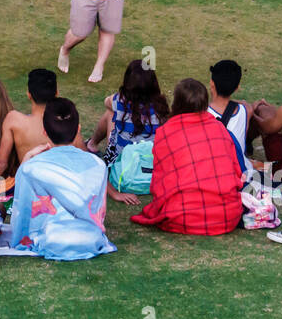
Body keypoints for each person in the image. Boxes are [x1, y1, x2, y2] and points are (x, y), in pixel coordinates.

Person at [130, 79, 244, 235]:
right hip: (227, 216)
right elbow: (236, 171)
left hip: (181, 217)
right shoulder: (220, 128)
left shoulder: (166, 132)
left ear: (177, 103)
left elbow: (161, 178)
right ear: (205, 103)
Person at [9, 98, 113, 260]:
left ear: (44, 131)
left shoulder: (31, 168)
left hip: (50, 240)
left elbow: (21, 214)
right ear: (78, 129)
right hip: (91, 239)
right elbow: (98, 213)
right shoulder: (98, 165)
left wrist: (25, 162)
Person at [92, 58, 169, 170]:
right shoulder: (161, 106)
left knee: (110, 112)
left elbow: (106, 102)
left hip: (120, 165)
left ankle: (92, 144)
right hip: (151, 165)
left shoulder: (119, 100)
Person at [10, 68, 85, 162]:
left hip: (28, 174)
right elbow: (84, 157)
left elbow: (1, 162)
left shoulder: (13, 120)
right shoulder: (67, 125)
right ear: (56, 93)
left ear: (29, 95)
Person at [207, 59, 252, 174]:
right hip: (240, 172)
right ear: (237, 88)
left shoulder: (202, 114)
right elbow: (245, 104)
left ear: (212, 83)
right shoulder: (246, 110)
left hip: (213, 172)